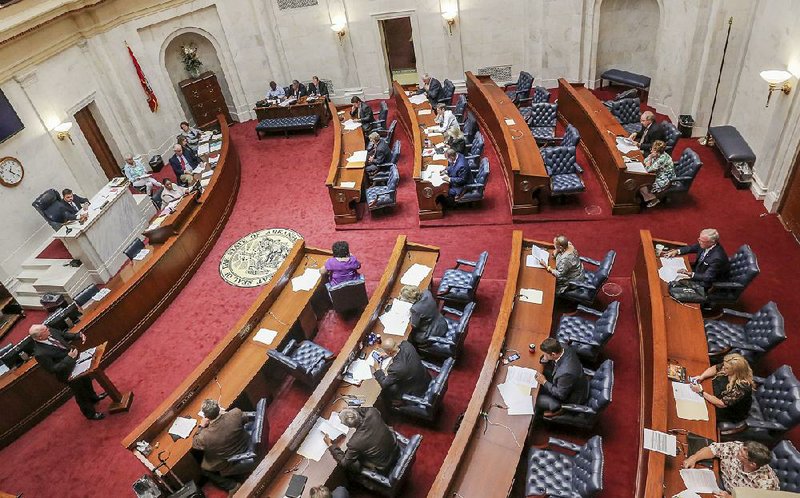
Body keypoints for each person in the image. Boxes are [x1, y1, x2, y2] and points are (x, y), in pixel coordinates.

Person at [29, 324, 107, 420]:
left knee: (87, 380)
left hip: (76, 361)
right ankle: (90, 414)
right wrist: (69, 358)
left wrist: (78, 335)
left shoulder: (49, 331)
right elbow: (52, 369)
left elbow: (63, 335)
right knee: (80, 392)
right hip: (67, 373)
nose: (48, 329)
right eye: (45, 330)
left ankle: (94, 398)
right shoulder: (40, 353)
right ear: (40, 337)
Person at [191, 399, 250, 495]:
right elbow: (245, 420)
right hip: (246, 443)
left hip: (229, 459)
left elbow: (195, 444)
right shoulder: (235, 412)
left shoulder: (204, 436)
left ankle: (232, 486)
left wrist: (201, 426)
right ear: (219, 408)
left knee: (204, 469)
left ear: (205, 416)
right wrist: (226, 414)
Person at [683, 440, 780, 495]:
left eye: (741, 454)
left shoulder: (766, 485)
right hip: (715, 479)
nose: (737, 451)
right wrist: (694, 458)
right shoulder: (738, 447)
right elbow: (713, 449)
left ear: (752, 464)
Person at [323, 407, 399, 473]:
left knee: (354, 463)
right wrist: (349, 411)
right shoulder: (372, 412)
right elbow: (363, 410)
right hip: (393, 444)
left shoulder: (354, 442)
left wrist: (330, 445)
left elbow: (344, 462)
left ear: (348, 425)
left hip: (384, 463)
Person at [689, 353, 754, 424]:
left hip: (727, 411)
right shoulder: (728, 366)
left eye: (726, 368)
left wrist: (701, 392)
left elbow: (721, 404)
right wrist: (702, 376)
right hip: (715, 395)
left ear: (735, 371)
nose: (723, 368)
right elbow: (715, 368)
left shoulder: (742, 387)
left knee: (694, 413)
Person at [533, 338, 589, 413]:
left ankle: (538, 417)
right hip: (566, 381)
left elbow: (561, 395)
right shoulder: (562, 346)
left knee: (535, 397)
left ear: (553, 354)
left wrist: (544, 382)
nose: (544, 355)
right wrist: (545, 359)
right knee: (543, 373)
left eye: (545, 354)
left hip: (571, 396)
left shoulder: (566, 373)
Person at [663, 228, 729, 289]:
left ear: (712, 243)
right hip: (698, 270)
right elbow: (691, 248)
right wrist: (676, 251)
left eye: (702, 241)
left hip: (706, 283)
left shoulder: (717, 258)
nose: (699, 242)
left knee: (671, 286)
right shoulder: (705, 244)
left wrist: (690, 274)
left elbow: (707, 277)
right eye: (699, 239)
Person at [373, 338, 431, 403]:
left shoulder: (395, 369)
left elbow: (384, 383)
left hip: (416, 389)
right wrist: (389, 354)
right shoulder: (407, 345)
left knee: (386, 391)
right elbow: (399, 349)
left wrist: (377, 369)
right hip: (424, 376)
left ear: (389, 352)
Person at [639, 140, 675, 208]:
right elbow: (645, 161)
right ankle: (646, 196)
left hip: (664, 179)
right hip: (658, 174)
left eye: (652, 149)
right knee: (641, 181)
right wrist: (649, 160)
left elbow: (647, 170)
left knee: (642, 184)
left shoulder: (661, 159)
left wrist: (649, 159)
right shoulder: (658, 154)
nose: (650, 150)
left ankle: (654, 199)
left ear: (657, 151)